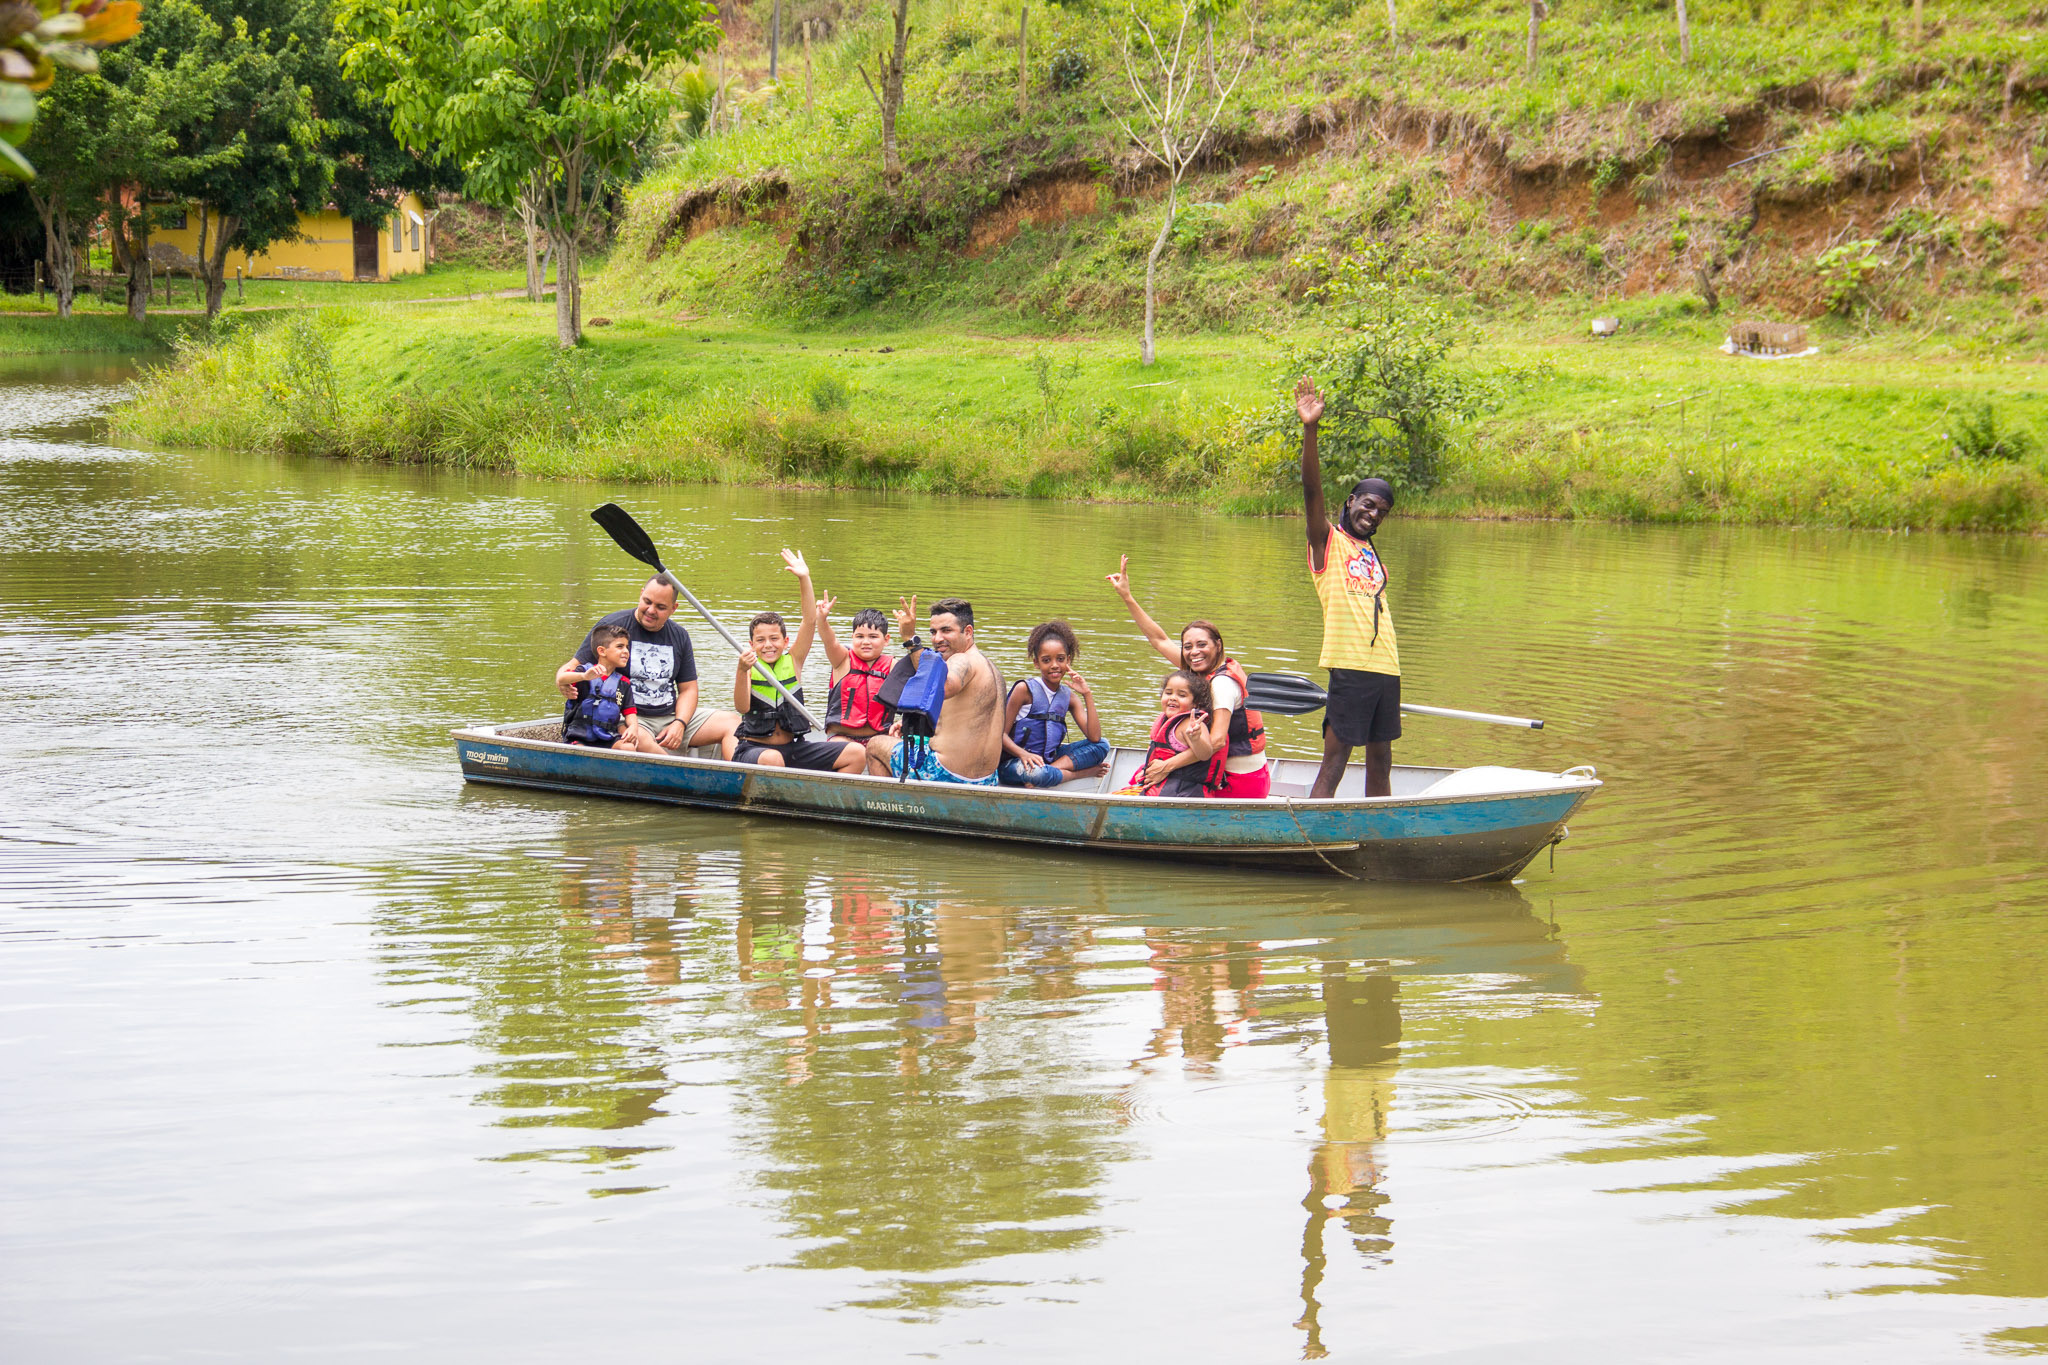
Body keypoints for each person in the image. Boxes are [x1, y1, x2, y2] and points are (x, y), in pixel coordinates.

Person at [1296, 376, 1400, 799]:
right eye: (1369, 504)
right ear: (1351, 500)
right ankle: (1308, 840)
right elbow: (1310, 490)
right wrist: (1310, 429)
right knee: (1335, 761)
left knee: (1381, 762)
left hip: (1387, 668)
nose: (1374, 515)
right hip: (1350, 666)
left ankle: (1380, 834)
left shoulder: (1374, 556)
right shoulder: (1327, 542)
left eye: (1382, 512)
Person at [1105, 555, 1272, 799]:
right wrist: (1127, 597)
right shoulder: (1198, 671)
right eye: (1187, 646)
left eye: (1201, 645)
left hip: (1237, 783)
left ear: (1218, 645)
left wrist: (1167, 767)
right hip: (1212, 769)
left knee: (1151, 777)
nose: (1194, 652)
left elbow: (1215, 742)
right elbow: (1159, 640)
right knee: (1143, 776)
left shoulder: (1223, 685)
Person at [556, 574, 737, 756]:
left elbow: (689, 689)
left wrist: (679, 723)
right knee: (637, 740)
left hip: (670, 715)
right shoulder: (612, 627)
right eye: (647, 602)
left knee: (732, 722)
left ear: (674, 608)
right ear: (641, 594)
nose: (651, 610)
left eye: (660, 607)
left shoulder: (680, 635)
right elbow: (569, 669)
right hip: (629, 718)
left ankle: (737, 780)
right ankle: (678, 774)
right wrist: (562, 682)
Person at [723, 550, 866, 773]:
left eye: (774, 639)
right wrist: (742, 670)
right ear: (751, 644)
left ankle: (825, 801)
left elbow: (809, 621)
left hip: (794, 749)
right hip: (754, 750)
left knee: (856, 753)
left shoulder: (794, 660)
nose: (768, 645)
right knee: (773, 759)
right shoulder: (748, 667)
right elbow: (741, 706)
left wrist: (804, 578)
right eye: (760, 640)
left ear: (785, 641)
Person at [864, 595, 1004, 786]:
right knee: (910, 739)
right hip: (987, 780)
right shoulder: (992, 669)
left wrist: (909, 639)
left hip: (946, 774)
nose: (938, 639)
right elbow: (963, 719)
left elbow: (942, 687)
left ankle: (895, 809)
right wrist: (909, 725)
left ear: (968, 632)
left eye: (946, 630)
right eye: (933, 631)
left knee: (875, 745)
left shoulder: (962, 660)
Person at [998, 621, 1109, 788]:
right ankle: (1079, 774)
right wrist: (1023, 754)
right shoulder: (1024, 690)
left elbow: (1094, 737)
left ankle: (1051, 770)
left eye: (1060, 659)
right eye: (1046, 660)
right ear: (1037, 663)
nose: (1054, 665)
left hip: (1050, 759)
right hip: (1015, 763)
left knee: (1103, 745)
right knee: (1039, 773)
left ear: (1068, 660)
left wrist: (1087, 694)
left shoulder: (1069, 697)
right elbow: (1000, 735)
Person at [559, 622, 664, 752]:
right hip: (580, 737)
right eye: (620, 647)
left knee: (628, 748)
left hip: (606, 737)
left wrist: (633, 728)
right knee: (581, 752)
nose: (626, 651)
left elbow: (630, 713)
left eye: (627, 647)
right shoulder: (584, 672)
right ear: (602, 651)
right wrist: (583, 676)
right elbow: (562, 679)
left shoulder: (623, 683)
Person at [1130, 669, 1221, 797]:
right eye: (1168, 693)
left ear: (1195, 703)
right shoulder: (1164, 720)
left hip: (1182, 792)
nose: (1173, 698)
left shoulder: (1192, 724)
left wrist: (1196, 738)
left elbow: (1205, 754)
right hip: (1161, 786)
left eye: (1182, 695)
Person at [814, 599, 894, 742]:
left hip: (878, 737)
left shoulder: (893, 666)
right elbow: (829, 641)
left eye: (873, 637)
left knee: (892, 751)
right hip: (842, 737)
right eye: (860, 636)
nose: (866, 642)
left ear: (886, 640)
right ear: (852, 637)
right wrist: (822, 619)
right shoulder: (842, 660)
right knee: (854, 752)